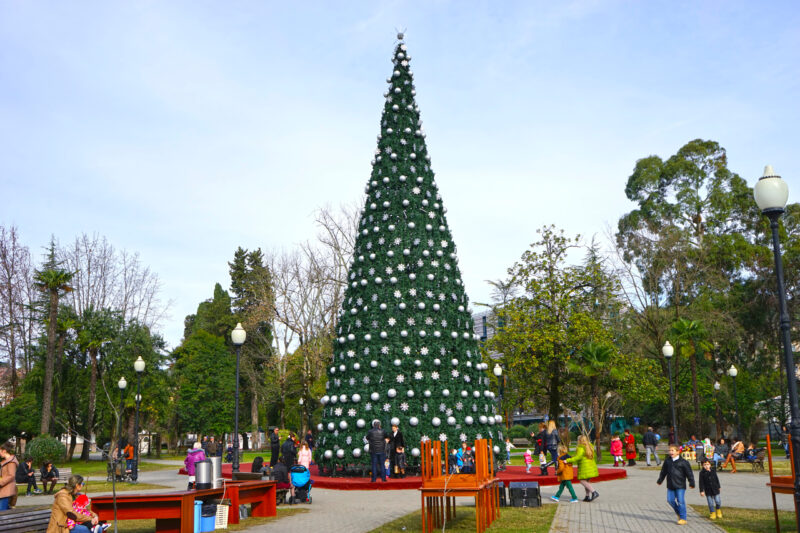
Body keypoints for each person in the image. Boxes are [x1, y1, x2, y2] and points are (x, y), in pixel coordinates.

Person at [657, 444, 695, 525]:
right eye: (669, 450)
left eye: (672, 450)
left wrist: (691, 482)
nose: (670, 452)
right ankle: (679, 513)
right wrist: (660, 480)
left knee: (680, 501)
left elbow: (689, 473)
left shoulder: (684, 462)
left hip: (680, 485)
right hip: (670, 484)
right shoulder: (667, 461)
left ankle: (683, 518)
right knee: (670, 500)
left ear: (678, 452)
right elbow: (663, 472)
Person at [566, 435, 599, 502]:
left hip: (584, 467)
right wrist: (574, 456)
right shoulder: (589, 446)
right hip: (591, 466)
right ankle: (587, 496)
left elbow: (579, 457)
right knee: (587, 482)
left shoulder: (580, 447)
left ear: (579, 440)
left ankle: (594, 492)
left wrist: (568, 460)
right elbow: (583, 455)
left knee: (582, 481)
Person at [0, 441, 19, 511]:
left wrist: (1, 482)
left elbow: (11, 475)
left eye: (0, 451)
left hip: (6, 490)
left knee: (2, 512)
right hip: (5, 489)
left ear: (4, 451)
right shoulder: (7, 462)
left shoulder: (11, 462)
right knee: (5, 510)